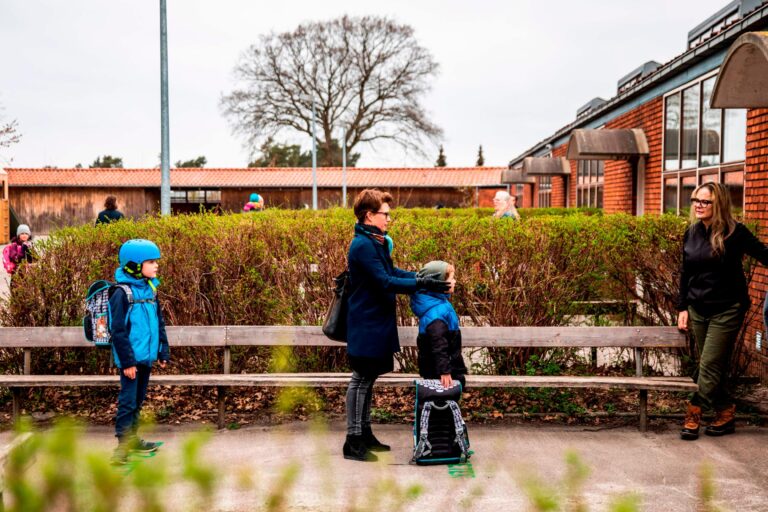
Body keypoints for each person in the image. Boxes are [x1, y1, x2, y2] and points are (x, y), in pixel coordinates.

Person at [344, 189, 450, 462]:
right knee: (361, 379)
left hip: (375, 322)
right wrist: (423, 283)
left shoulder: (375, 241)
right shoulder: (363, 245)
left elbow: (392, 273)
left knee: (368, 378)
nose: (389, 218)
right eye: (385, 214)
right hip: (366, 323)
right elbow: (385, 282)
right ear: (369, 215)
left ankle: (364, 433)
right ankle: (353, 440)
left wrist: (419, 276)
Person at [677, 182, 768, 440]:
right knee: (711, 366)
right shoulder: (692, 232)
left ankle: (693, 414)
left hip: (727, 308)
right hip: (698, 308)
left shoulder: (735, 233)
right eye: (696, 200)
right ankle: (725, 412)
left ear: (719, 205)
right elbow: (686, 273)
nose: (698, 205)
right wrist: (683, 306)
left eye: (705, 202)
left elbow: (763, 254)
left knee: (708, 365)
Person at [110, 239, 170, 464]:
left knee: (139, 398)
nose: (156, 266)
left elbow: (159, 322)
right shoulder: (121, 293)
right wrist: (127, 362)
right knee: (127, 401)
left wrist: (163, 351)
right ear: (135, 265)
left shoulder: (151, 289)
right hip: (131, 361)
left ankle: (133, 438)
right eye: (151, 262)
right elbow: (118, 330)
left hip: (146, 357)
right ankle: (122, 447)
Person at [410, 260, 468, 389]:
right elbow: (438, 345)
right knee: (442, 402)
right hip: (440, 373)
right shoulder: (436, 313)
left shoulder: (438, 303)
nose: (454, 282)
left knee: (446, 403)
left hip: (445, 368)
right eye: (451, 279)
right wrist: (444, 371)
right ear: (439, 284)